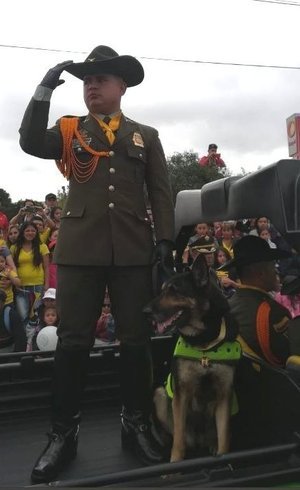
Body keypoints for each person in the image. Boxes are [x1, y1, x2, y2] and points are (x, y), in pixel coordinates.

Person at [19, 45, 175, 482]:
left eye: (101, 79)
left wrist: (164, 240)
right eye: (87, 80)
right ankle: (63, 434)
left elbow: (160, 192)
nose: (91, 85)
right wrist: (44, 89)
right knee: (72, 343)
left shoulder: (146, 135)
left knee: (136, 341)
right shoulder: (70, 130)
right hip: (80, 250)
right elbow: (31, 142)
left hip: (131, 250)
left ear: (121, 86)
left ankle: (136, 423)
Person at [219, 235, 300, 373]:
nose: (276, 271)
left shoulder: (227, 306)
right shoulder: (273, 313)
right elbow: (292, 360)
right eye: (272, 265)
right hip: (275, 389)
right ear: (260, 273)